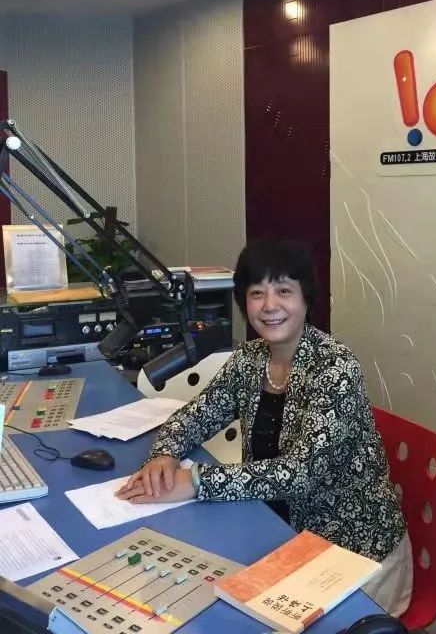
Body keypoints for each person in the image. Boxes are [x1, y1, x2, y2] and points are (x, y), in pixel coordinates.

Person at [116, 238, 412, 616]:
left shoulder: (335, 368)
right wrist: (164, 454)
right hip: (281, 535)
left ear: (306, 298)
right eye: (257, 293)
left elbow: (300, 473)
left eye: (284, 291)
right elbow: (196, 416)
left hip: (351, 551)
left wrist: (195, 482)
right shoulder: (250, 359)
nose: (270, 305)